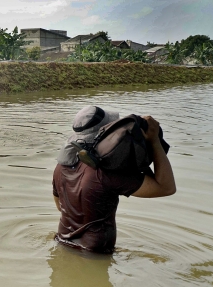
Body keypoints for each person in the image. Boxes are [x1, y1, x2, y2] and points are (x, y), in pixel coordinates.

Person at [52, 106, 176, 254]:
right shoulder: (108, 173)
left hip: (62, 243)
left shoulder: (60, 167)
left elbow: (60, 206)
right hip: (95, 253)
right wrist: (154, 141)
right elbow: (167, 187)